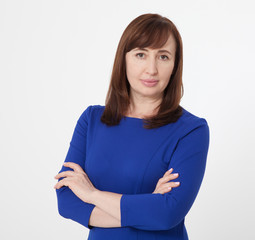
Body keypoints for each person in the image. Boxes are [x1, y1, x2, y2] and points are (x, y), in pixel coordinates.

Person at [54, 13, 210, 240]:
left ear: (175, 65)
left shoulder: (191, 130)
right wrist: (145, 207)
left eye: (163, 57)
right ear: (123, 59)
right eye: (140, 54)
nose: (151, 69)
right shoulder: (92, 120)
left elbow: (166, 213)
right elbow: (67, 201)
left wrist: (92, 194)